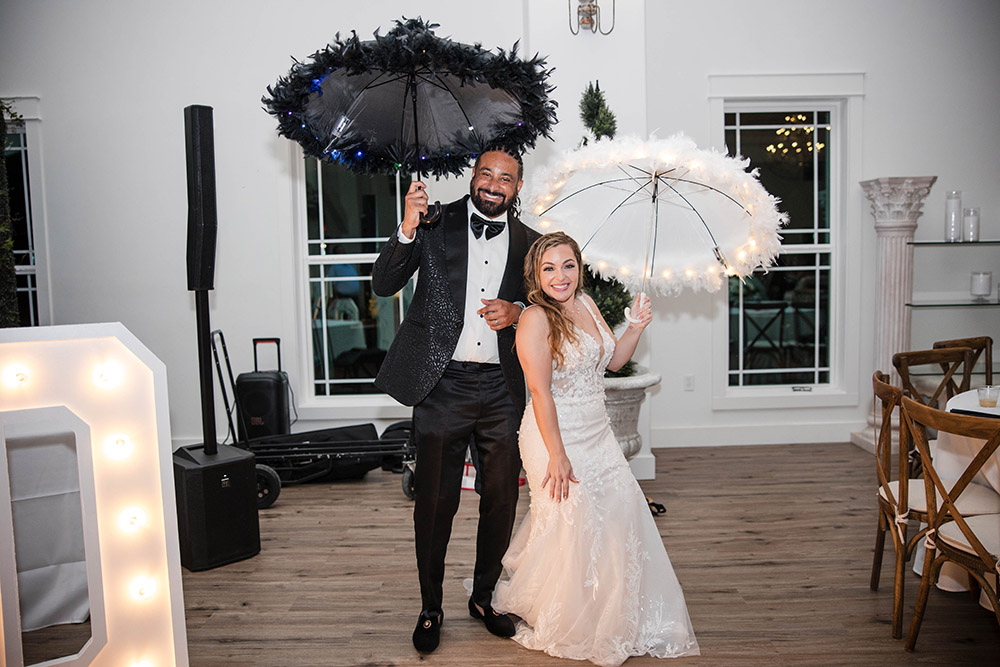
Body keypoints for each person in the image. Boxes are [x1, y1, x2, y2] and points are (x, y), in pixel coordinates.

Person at [493, 232, 700, 666]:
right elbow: (539, 391)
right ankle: (575, 616)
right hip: (555, 433)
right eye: (549, 268)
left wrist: (636, 325)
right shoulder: (534, 319)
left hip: (598, 432)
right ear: (535, 274)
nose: (560, 276)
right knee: (575, 520)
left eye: (567, 265)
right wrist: (557, 454)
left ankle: (617, 612)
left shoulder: (586, 304)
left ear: (579, 267)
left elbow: (613, 360)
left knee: (620, 513)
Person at [371, 146, 540, 654]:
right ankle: (430, 607)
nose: (493, 184)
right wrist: (406, 225)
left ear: (517, 187)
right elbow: (384, 284)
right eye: (486, 173)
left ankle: (485, 597)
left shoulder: (531, 243)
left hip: (502, 388)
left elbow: (552, 301)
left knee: (502, 499)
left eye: (505, 178)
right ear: (473, 176)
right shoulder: (432, 221)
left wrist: (519, 309)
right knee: (435, 501)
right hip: (441, 384)